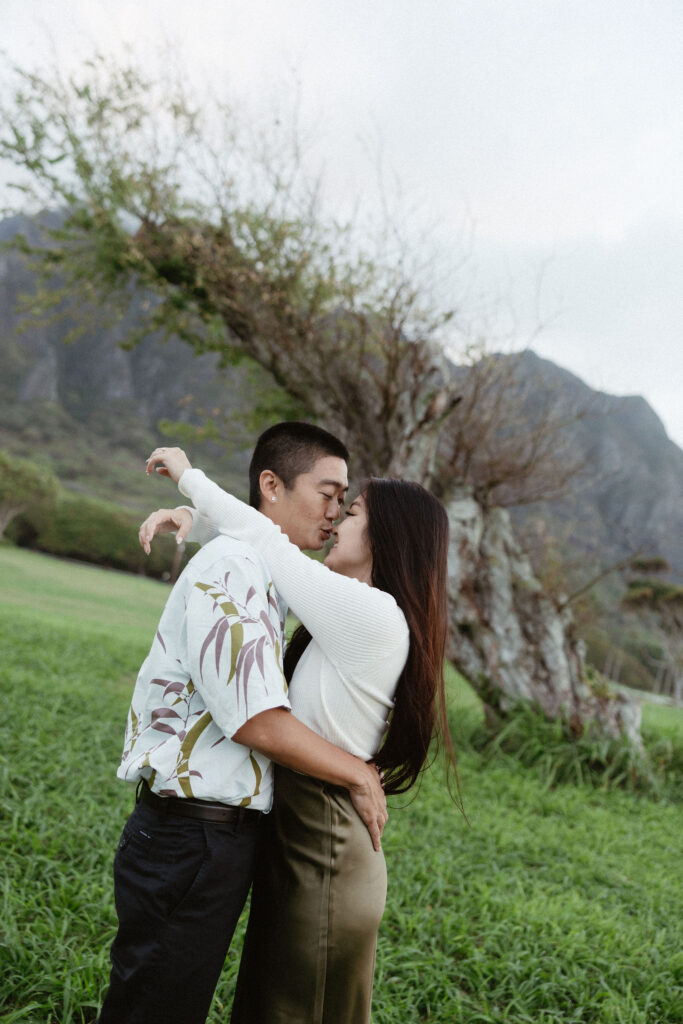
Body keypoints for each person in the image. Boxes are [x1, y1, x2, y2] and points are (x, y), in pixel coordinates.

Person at [141, 440, 454, 1024]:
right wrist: (198, 518)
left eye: (352, 510)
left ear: (390, 537)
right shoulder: (347, 608)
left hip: (326, 844)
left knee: (294, 1012)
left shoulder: (373, 615)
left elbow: (267, 542)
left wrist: (188, 477)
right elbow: (259, 559)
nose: (336, 521)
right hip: (302, 835)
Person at [97, 423, 387, 1024]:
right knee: (154, 1009)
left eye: (344, 501)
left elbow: (257, 536)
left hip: (217, 836)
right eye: (327, 494)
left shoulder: (267, 572)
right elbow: (256, 721)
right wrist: (358, 774)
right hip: (190, 835)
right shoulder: (231, 567)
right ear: (271, 485)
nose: (334, 514)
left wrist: (197, 515)